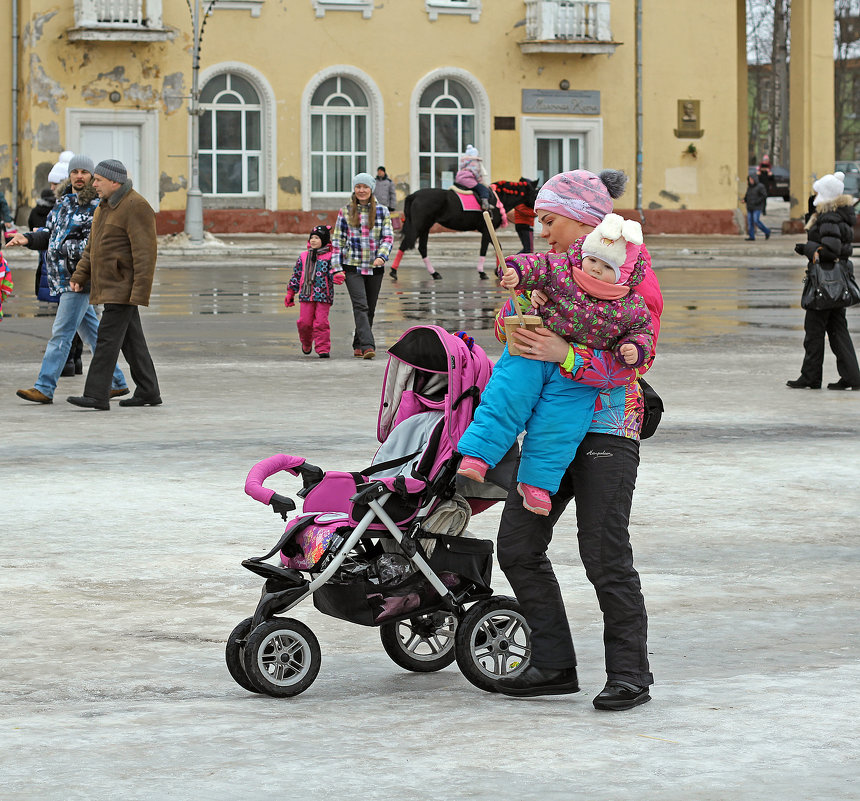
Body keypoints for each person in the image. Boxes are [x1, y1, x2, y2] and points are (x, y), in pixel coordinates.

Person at [480, 169, 662, 711]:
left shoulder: (629, 267)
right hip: (550, 434)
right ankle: (553, 663)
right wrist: (514, 324)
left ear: (583, 219)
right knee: (517, 544)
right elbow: (519, 331)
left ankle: (630, 673)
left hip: (609, 426)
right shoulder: (555, 270)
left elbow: (637, 355)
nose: (543, 229)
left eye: (550, 219)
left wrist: (565, 352)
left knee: (604, 553)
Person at [457, 213, 653, 516]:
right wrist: (516, 277)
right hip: (531, 355)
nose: (596, 271)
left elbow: (641, 335)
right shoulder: (560, 268)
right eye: (593, 262)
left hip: (576, 377)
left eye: (607, 268)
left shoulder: (630, 304)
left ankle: (537, 483)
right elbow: (532, 266)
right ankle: (479, 455)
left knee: (560, 424)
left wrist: (634, 349)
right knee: (507, 397)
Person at [10, 154, 129, 406]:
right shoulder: (64, 203)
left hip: (80, 279)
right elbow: (51, 235)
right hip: (64, 278)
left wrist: (62, 251)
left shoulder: (98, 206)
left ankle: (44, 387)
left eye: (84, 172)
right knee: (94, 335)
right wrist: (28, 239)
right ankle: (117, 382)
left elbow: (92, 245)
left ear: (92, 177)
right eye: (74, 171)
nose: (78, 176)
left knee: (61, 334)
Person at [66, 159, 161, 410]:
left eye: (98, 179)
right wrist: (79, 276)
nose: (93, 183)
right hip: (110, 285)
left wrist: (139, 292)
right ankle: (149, 391)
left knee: (107, 340)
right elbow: (92, 248)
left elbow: (145, 253)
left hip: (123, 287)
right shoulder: (105, 206)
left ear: (114, 182)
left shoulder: (136, 206)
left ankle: (96, 394)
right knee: (132, 341)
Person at [787, 171, 860, 390]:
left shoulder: (829, 216)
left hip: (826, 281)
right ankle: (852, 377)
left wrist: (808, 249)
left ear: (826, 194)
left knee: (814, 329)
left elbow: (831, 250)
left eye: (818, 191)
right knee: (838, 330)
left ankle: (810, 377)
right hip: (837, 279)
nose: (815, 194)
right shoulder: (838, 214)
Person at [331, 172, 394, 360]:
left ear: (371, 189)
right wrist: (337, 268)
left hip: (375, 267)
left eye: (365, 187)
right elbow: (337, 241)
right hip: (353, 266)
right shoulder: (345, 211)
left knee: (371, 308)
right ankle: (368, 346)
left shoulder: (382, 211)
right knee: (361, 306)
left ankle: (358, 343)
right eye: (358, 186)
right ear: (354, 189)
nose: (361, 190)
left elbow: (388, 237)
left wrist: (382, 257)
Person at [284, 224, 344, 358]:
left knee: (321, 323)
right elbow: (297, 274)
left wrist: (336, 275)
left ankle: (322, 348)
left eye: (317, 238)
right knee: (304, 323)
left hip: (324, 295)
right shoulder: (304, 256)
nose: (313, 240)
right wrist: (290, 293)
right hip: (306, 295)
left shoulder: (330, 257)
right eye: (312, 238)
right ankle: (306, 342)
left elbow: (334, 270)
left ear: (324, 240)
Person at [455, 144, 491, 211]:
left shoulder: (463, 161)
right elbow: (476, 173)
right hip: (468, 179)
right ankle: (485, 203)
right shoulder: (475, 162)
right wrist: (481, 181)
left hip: (459, 179)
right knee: (483, 189)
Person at [743, 174, 770, 241]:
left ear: (755, 179)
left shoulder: (760, 186)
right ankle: (751, 236)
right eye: (749, 180)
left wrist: (757, 202)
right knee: (750, 222)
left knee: (756, 221)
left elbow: (764, 195)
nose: (750, 181)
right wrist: (745, 199)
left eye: (751, 179)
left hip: (757, 207)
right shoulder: (749, 187)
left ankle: (767, 231)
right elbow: (747, 195)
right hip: (750, 207)